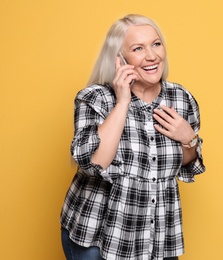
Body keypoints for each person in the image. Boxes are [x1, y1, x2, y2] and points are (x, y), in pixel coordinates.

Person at [60, 14, 205, 260]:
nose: (152, 56)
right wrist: (123, 101)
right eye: (138, 48)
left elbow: (184, 163)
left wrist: (188, 139)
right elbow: (95, 163)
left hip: (157, 236)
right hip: (97, 235)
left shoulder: (182, 98)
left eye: (156, 44)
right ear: (120, 59)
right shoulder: (95, 98)